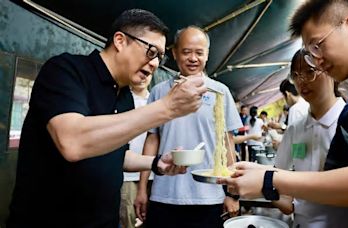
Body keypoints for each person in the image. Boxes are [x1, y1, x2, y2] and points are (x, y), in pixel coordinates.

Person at [7, 9, 207, 228]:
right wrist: (166, 108)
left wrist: (157, 163)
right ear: (120, 41)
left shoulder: (124, 97)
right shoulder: (66, 70)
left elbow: (116, 155)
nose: (155, 64)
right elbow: (72, 141)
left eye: (160, 56)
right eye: (151, 52)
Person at [218, 0, 348, 227]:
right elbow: (332, 180)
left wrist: (270, 179)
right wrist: (262, 171)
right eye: (311, 54)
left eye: (318, 46)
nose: (318, 61)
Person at [135, 25, 242, 228]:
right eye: (186, 52)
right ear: (174, 53)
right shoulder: (159, 92)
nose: (193, 58)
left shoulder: (220, 92)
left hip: (209, 197)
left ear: (207, 55)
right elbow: (152, 139)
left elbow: (227, 142)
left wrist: (232, 193)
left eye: (199, 53)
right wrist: (142, 189)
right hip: (164, 195)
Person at [273, 48, 348, 227]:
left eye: (310, 71)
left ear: (331, 71)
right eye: (296, 75)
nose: (302, 81)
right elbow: (278, 176)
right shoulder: (295, 129)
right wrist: (276, 195)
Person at [119, 74, 152, 228]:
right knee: (129, 220)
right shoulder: (121, 99)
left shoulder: (157, 101)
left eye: (148, 73)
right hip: (127, 175)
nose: (144, 77)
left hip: (153, 173)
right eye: (140, 72)